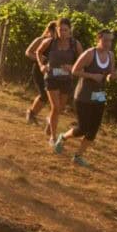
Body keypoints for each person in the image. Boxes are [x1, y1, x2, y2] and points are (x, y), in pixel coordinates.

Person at [53, 29, 117, 165]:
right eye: (105, 40)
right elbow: (75, 70)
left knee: (93, 129)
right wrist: (92, 76)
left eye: (110, 40)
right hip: (83, 95)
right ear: (98, 39)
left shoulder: (111, 55)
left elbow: (108, 74)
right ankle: (63, 137)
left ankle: (78, 156)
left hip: (99, 95)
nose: (108, 43)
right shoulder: (89, 54)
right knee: (83, 128)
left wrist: (112, 77)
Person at [35, 17, 84, 147]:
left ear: (70, 31)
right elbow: (38, 52)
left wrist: (72, 67)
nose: (62, 33)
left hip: (66, 80)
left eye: (65, 30)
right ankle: (53, 137)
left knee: (59, 109)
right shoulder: (50, 42)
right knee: (56, 107)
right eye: (60, 30)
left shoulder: (75, 44)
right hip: (51, 78)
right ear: (56, 30)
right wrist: (41, 65)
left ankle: (49, 121)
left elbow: (84, 61)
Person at [24, 21, 58, 125]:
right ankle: (31, 113)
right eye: (55, 31)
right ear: (50, 30)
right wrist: (41, 59)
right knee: (44, 94)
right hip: (39, 70)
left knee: (48, 96)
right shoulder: (40, 40)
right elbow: (28, 52)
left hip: (52, 72)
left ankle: (33, 114)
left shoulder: (59, 43)